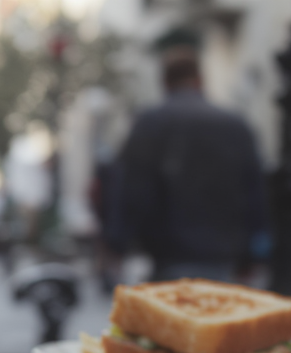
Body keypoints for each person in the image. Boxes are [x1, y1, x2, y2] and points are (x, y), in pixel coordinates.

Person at [104, 54, 269, 283]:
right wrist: (255, 254)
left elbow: (131, 190)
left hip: (169, 250)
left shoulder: (150, 122)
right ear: (200, 80)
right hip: (224, 253)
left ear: (165, 83)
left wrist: (117, 245)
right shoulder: (235, 125)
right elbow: (255, 192)